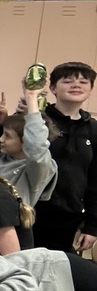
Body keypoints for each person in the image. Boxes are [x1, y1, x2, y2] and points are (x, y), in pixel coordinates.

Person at [32, 61, 97, 254]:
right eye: (67, 81)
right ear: (53, 88)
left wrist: (92, 226)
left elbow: (95, 180)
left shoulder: (93, 129)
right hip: (31, 212)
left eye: (83, 82)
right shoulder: (38, 119)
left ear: (91, 89)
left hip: (69, 217)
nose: (76, 85)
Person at [0, 83, 57, 208]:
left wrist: (31, 96)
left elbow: (36, 146)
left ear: (26, 140)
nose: (0, 139)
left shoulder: (37, 169)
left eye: (7, 136)